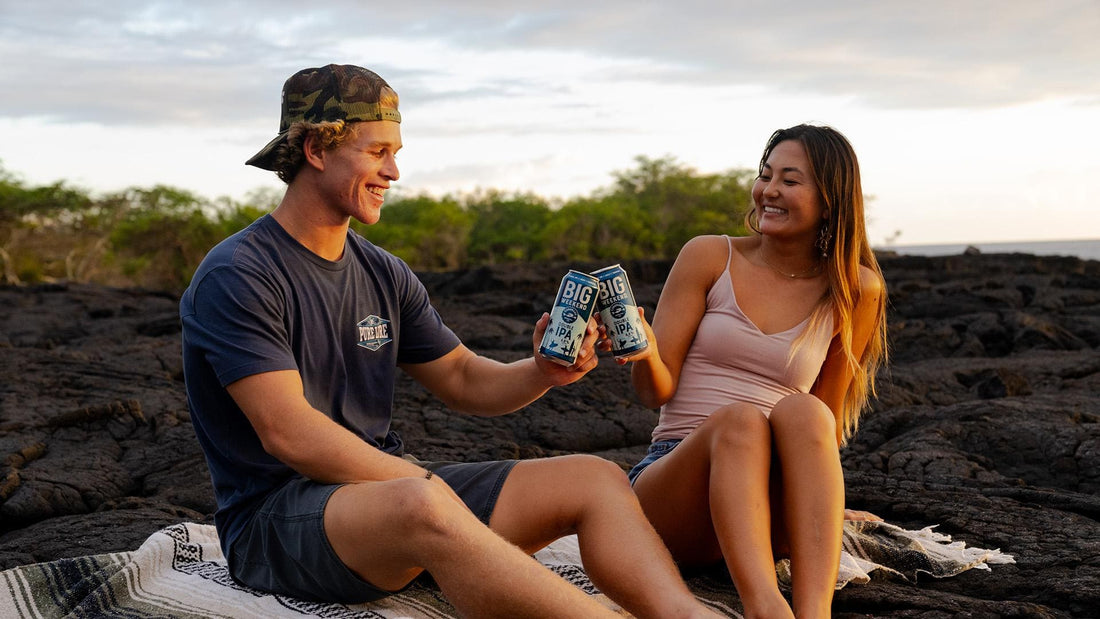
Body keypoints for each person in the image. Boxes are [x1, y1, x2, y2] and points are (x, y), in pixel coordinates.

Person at [179, 64, 721, 619]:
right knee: (421, 501)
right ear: (317, 149)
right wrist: (425, 485)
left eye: (396, 151)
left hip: (389, 501)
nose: (394, 170)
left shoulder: (383, 272)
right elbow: (289, 434)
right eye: (377, 151)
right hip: (276, 522)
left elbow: (462, 377)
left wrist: (541, 371)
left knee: (597, 479)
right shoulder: (239, 273)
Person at [617, 124, 888, 618]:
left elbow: (822, 423)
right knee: (741, 421)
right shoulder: (708, 256)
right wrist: (644, 354)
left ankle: (813, 613)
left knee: (805, 412)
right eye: (766, 176)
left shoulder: (856, 289)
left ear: (830, 200)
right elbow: (654, 391)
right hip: (677, 484)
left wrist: (824, 505)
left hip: (769, 497)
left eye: (790, 180)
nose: (770, 191)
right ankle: (765, 608)